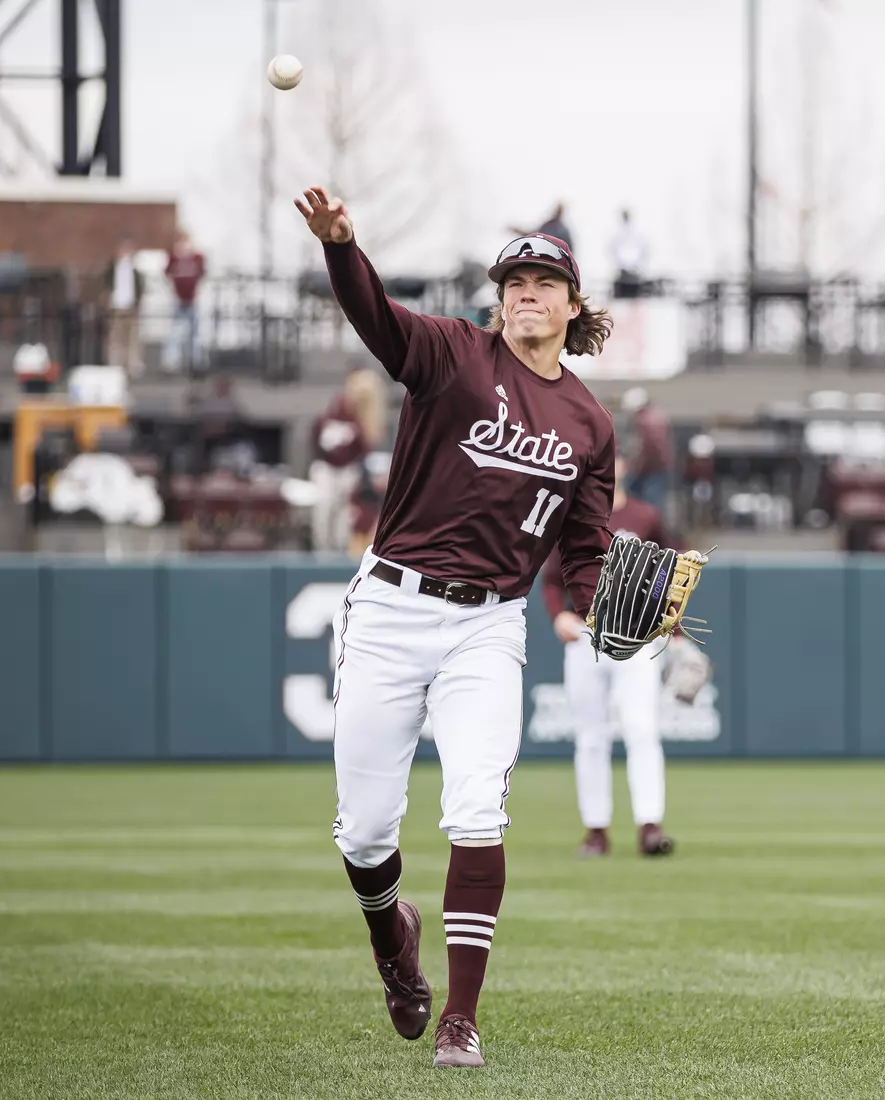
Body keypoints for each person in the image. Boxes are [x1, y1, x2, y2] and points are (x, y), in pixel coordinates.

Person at [294, 185, 616, 1070]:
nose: (527, 293)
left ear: (572, 304)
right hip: (393, 604)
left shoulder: (588, 421)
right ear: (498, 297)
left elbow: (583, 548)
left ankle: (460, 1018)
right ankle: (392, 942)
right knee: (363, 833)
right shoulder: (452, 356)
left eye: (545, 283)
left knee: (478, 812)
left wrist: (598, 609)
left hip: (489, 624)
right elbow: (376, 316)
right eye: (514, 281)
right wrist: (341, 247)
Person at [540, 455, 675, 860]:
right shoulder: (572, 514)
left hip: (636, 636)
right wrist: (557, 614)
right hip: (586, 633)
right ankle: (596, 830)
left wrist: (676, 629)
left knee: (641, 729)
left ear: (627, 465)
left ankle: (649, 826)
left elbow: (670, 574)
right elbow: (549, 579)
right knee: (591, 736)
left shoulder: (646, 515)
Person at [309, 366, 385, 554]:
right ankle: (321, 551)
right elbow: (316, 439)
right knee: (324, 509)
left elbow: (365, 448)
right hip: (326, 469)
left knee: (344, 513)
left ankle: (340, 551)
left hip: (349, 470)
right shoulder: (330, 414)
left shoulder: (364, 421)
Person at [619, 387, 671, 513]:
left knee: (641, 504)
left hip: (648, 470)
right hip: (658, 468)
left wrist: (636, 469)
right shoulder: (658, 416)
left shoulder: (643, 421)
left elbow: (649, 448)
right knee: (654, 506)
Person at [164, 230, 207, 373]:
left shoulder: (197, 257)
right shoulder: (173, 257)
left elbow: (202, 274)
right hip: (178, 299)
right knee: (175, 333)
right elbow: (167, 273)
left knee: (195, 334)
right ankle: (171, 363)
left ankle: (196, 362)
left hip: (193, 300)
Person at [104, 238, 142, 374]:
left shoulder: (135, 270)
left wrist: (137, 302)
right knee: (115, 338)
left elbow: (139, 288)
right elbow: (105, 286)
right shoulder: (111, 269)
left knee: (132, 338)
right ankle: (114, 364)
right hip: (116, 308)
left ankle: (132, 365)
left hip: (131, 307)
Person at [608, 208, 648, 299]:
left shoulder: (638, 230)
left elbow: (643, 248)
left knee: (635, 298)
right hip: (622, 270)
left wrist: (638, 264)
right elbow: (612, 249)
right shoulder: (616, 231)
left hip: (635, 269)